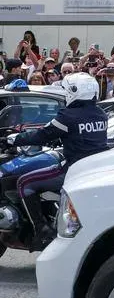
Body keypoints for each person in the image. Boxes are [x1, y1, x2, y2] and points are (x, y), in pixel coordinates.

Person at [4, 73, 108, 245]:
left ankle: (41, 229)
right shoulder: (100, 113)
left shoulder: (68, 116)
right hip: (95, 167)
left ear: (75, 92)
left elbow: (42, 135)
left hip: (74, 169)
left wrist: (14, 139)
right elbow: (74, 134)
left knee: (24, 182)